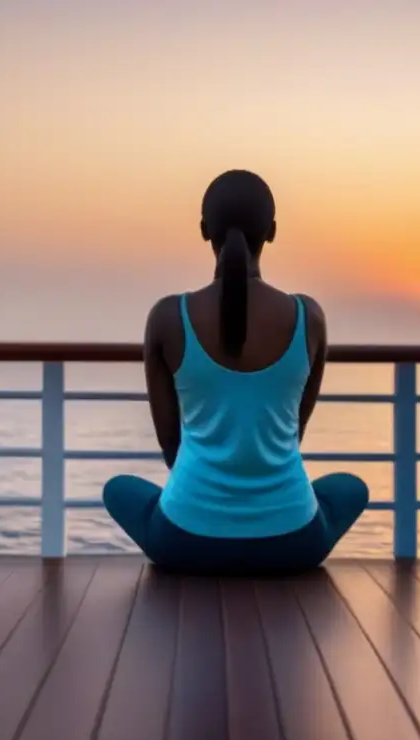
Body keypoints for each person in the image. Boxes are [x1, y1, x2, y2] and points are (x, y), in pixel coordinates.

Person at [102, 169, 369, 576]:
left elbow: (171, 446)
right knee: (351, 488)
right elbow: (293, 434)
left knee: (118, 490)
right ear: (273, 232)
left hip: (185, 541)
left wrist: (212, 503)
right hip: (294, 542)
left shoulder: (168, 317)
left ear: (204, 230)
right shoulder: (308, 317)